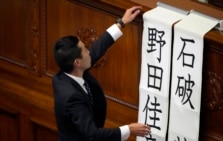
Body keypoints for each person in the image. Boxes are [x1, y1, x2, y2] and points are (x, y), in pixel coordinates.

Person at [52, 6, 151, 141]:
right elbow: (93, 135)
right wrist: (129, 129)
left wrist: (121, 23)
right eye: (85, 50)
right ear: (77, 62)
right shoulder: (71, 98)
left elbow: (97, 49)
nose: (89, 51)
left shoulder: (66, 73)